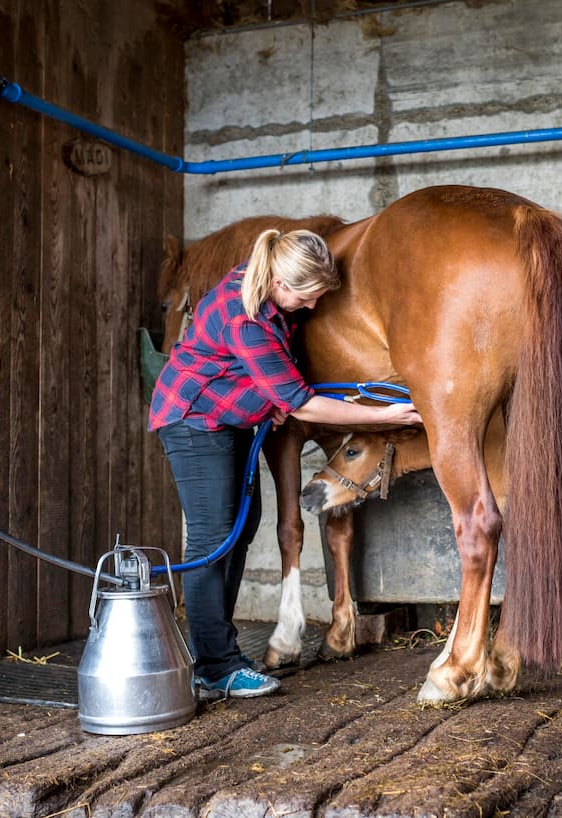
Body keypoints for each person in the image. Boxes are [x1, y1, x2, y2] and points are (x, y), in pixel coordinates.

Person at [148, 228, 421, 700]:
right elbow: (302, 404)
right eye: (309, 297)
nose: (314, 307)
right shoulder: (245, 316)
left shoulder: (265, 290)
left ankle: (216, 658)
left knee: (241, 524)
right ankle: (215, 666)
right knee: (214, 537)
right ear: (280, 284)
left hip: (228, 417)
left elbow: (261, 374)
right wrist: (383, 416)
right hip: (193, 421)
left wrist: (264, 395)